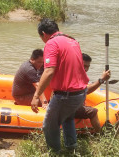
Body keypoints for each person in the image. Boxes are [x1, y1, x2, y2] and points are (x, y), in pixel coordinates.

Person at [31, 18, 89, 153]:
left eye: (41, 37)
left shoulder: (51, 43)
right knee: (67, 118)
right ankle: (71, 148)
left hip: (66, 96)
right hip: (80, 92)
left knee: (49, 126)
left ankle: (54, 152)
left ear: (44, 34)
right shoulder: (73, 41)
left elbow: (49, 71)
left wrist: (36, 95)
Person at [75, 53, 111, 133]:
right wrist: (101, 80)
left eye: (87, 67)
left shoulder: (77, 74)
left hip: (66, 103)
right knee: (93, 111)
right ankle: (99, 135)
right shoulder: (74, 75)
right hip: (67, 106)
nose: (86, 69)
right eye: (84, 66)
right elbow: (85, 90)